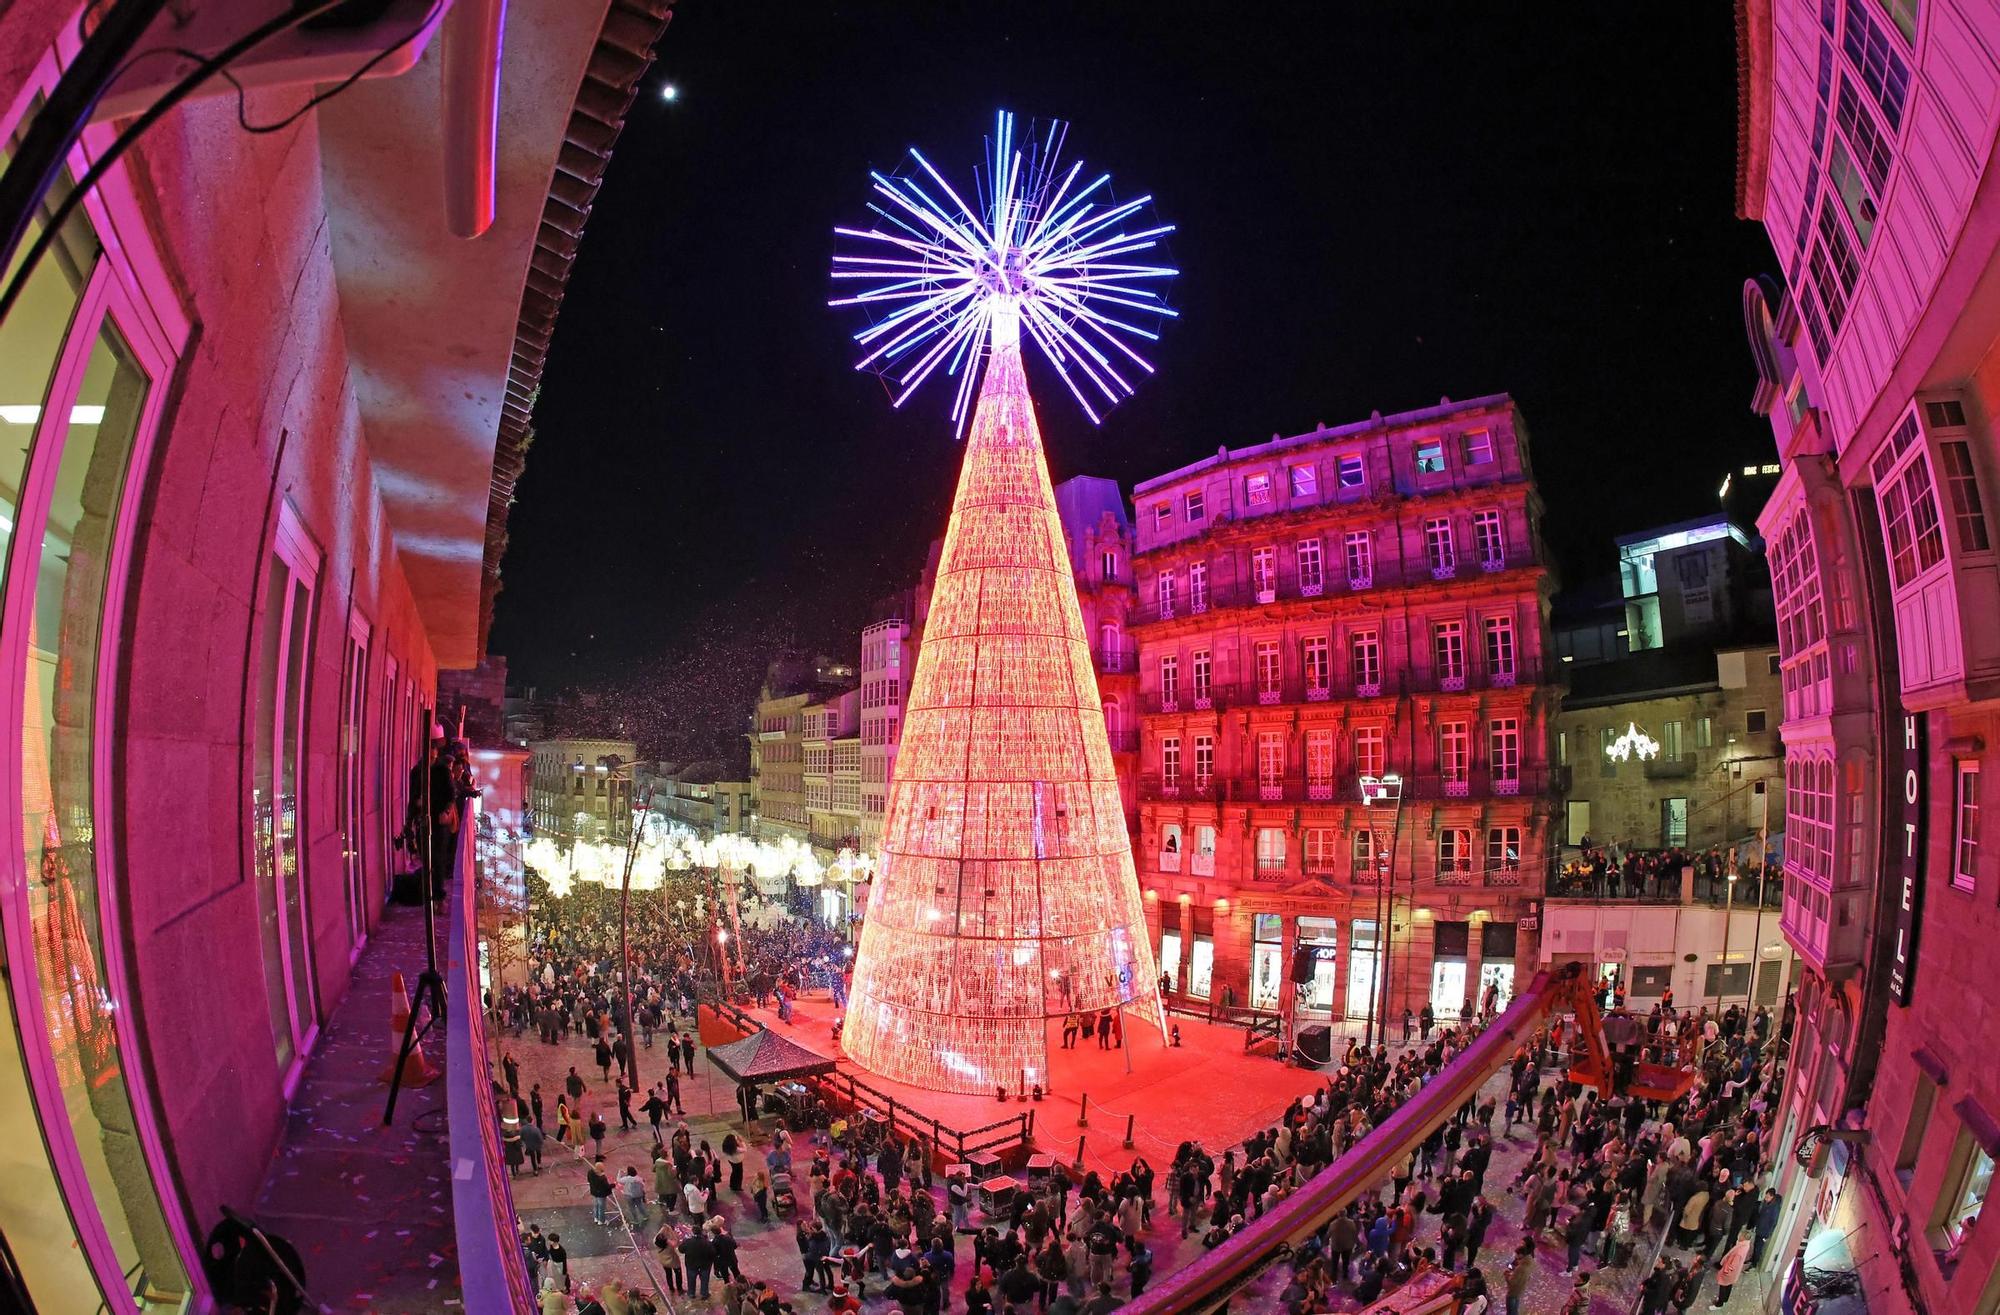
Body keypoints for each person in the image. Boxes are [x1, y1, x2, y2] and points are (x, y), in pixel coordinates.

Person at [1713, 1237, 1752, 1307]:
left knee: (1723, 1286)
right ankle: (1725, 1299)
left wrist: (1726, 1271)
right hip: (1734, 1273)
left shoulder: (1739, 1251)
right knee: (1729, 1284)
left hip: (1729, 1272)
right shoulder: (1745, 1246)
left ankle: (1719, 1303)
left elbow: (1733, 1265)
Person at [587, 1158, 614, 1226]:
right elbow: (606, 1187)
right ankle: (601, 1220)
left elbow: (589, 1180)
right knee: (601, 1207)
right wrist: (613, 1185)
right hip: (601, 1194)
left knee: (596, 1205)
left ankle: (596, 1217)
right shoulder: (602, 1178)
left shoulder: (590, 1172)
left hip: (594, 1192)